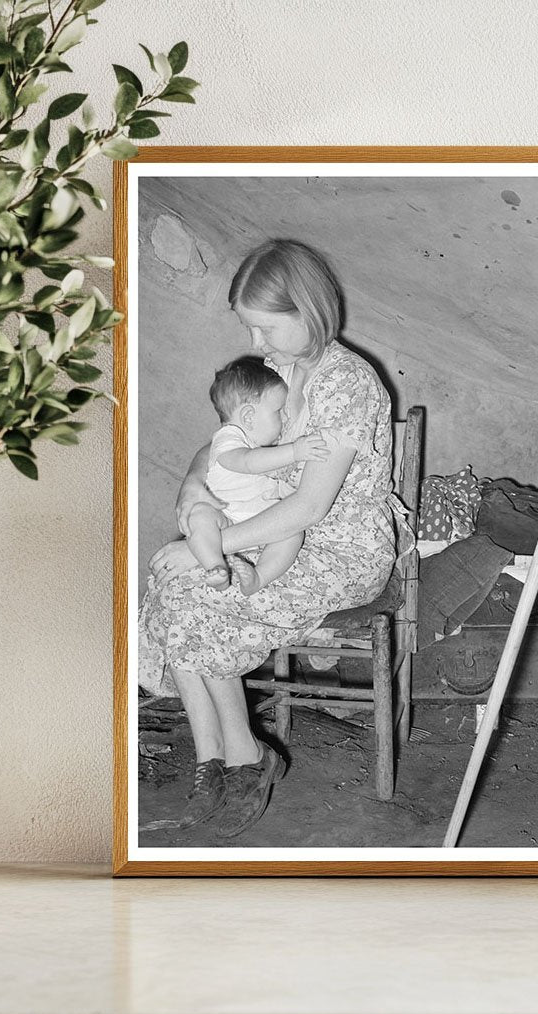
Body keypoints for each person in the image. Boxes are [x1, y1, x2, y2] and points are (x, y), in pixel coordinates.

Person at [138, 238, 397, 839]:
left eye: (265, 329)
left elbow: (309, 506)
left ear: (308, 310)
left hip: (339, 548)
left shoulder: (349, 384)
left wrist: (221, 544)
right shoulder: (276, 371)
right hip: (271, 533)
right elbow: (225, 443)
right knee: (176, 585)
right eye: (249, 330)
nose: (255, 345)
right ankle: (216, 764)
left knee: (205, 595)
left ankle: (246, 761)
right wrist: (193, 487)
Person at [187, 355, 329, 595]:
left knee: (293, 532)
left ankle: (259, 576)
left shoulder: (260, 447)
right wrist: (294, 451)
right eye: (278, 411)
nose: (284, 418)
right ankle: (215, 567)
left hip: (257, 518)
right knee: (199, 517)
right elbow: (248, 463)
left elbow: (276, 485)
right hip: (224, 513)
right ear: (249, 417)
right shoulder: (227, 439)